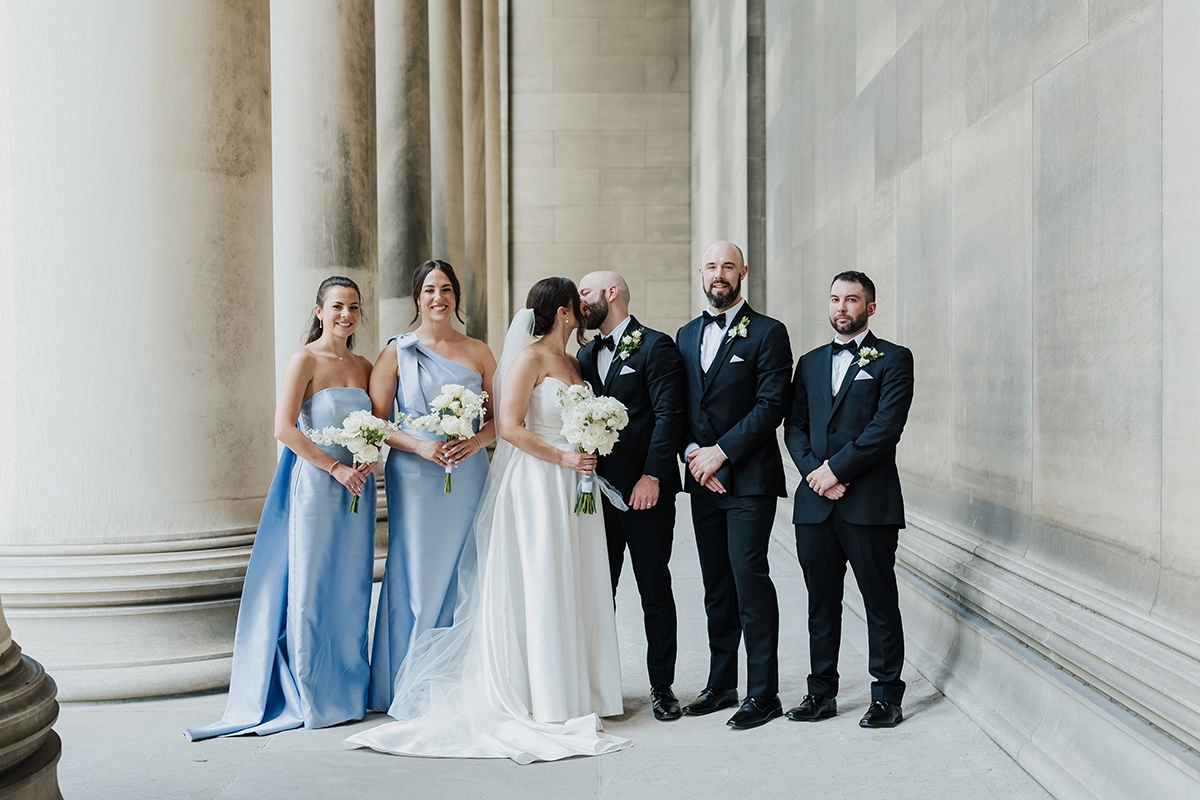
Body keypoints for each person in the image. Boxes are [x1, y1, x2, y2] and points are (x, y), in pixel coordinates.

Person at [344, 277, 629, 763]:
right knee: (538, 579)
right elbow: (514, 428)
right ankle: (543, 691)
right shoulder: (527, 359)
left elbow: (508, 423)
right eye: (576, 303)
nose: (584, 307)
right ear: (562, 312)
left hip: (572, 485)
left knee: (574, 579)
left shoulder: (574, 363)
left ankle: (581, 690)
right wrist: (563, 460)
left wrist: (588, 443)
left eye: (447, 289)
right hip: (538, 483)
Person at [186, 276, 378, 741]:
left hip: (359, 486)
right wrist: (335, 468)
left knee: (351, 585)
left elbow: (375, 424)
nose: (346, 315)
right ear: (318, 311)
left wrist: (368, 461)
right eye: (337, 306)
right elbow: (284, 427)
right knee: (311, 584)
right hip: (317, 482)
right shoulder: (305, 359)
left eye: (353, 307)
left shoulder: (364, 364)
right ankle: (311, 693)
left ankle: (348, 691)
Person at [783, 271, 914, 729]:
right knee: (821, 602)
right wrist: (815, 476)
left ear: (870, 308)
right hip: (815, 506)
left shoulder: (894, 359)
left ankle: (886, 696)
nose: (842, 307)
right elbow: (794, 426)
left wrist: (835, 471)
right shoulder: (811, 362)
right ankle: (821, 693)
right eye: (835, 298)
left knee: (879, 600)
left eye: (852, 300)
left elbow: (885, 428)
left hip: (868, 503)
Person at [367, 260, 496, 712]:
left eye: (445, 289)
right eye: (428, 290)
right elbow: (375, 424)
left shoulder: (479, 351)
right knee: (418, 568)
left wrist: (474, 441)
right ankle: (409, 682)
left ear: (456, 297)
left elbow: (502, 420)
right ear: (416, 298)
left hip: (468, 471)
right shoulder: (395, 353)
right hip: (415, 474)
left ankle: (460, 677)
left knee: (467, 565)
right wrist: (420, 448)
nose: (437, 297)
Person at [676, 241, 793, 730]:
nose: (719, 274)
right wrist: (692, 456)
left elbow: (771, 405)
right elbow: (675, 406)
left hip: (748, 479)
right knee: (716, 585)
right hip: (702, 479)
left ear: (743, 271)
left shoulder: (768, 332)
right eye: (711, 266)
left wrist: (720, 454)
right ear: (700, 273)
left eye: (728, 265)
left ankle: (762, 692)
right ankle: (722, 684)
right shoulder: (684, 335)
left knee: (749, 578)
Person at [577, 270, 685, 721]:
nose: (580, 302)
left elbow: (669, 415)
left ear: (612, 293)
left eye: (585, 293)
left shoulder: (656, 346)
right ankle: (598, 688)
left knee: (654, 588)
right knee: (599, 591)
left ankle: (662, 687)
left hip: (646, 494)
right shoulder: (583, 355)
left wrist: (653, 476)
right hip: (595, 494)